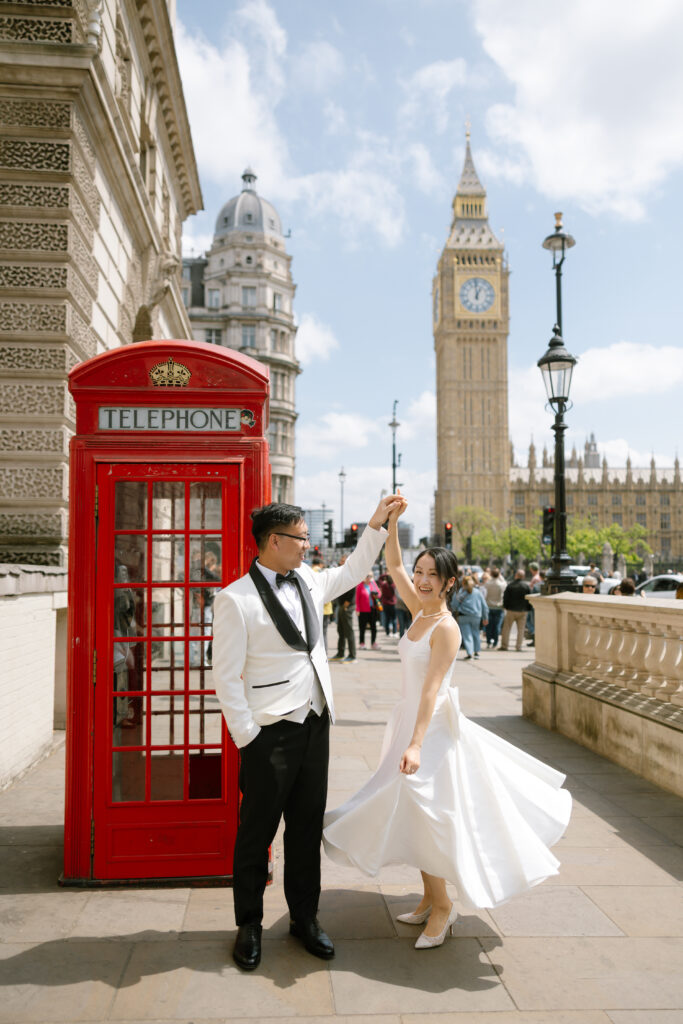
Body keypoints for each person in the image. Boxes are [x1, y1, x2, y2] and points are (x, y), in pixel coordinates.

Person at [323, 497, 572, 950]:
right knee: (415, 813)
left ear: (449, 582)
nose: (420, 579)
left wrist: (415, 744)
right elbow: (393, 560)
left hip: (432, 728)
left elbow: (432, 690)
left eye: (431, 575)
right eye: (419, 573)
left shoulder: (446, 627)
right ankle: (428, 897)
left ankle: (443, 906)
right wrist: (393, 523)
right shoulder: (420, 611)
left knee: (426, 810)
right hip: (408, 720)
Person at [212, 494, 400, 970]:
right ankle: (249, 924)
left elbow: (356, 568)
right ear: (273, 541)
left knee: (305, 828)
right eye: (300, 537)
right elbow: (225, 676)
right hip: (269, 733)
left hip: (316, 725)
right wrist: (248, 737)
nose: (307, 545)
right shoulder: (235, 599)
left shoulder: (312, 581)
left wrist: (376, 524)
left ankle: (304, 918)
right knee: (256, 833)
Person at [451, 575, 488, 659]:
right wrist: (485, 617)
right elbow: (484, 606)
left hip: (463, 616)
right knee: (476, 633)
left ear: (463, 583)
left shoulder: (460, 592)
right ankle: (477, 652)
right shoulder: (478, 592)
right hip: (476, 616)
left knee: (467, 635)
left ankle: (470, 652)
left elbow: (454, 605)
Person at [330, 556, 357, 663]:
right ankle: (340, 653)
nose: (341, 563)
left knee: (348, 631)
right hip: (341, 605)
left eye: (343, 561)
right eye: (340, 561)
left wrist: (346, 605)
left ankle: (352, 655)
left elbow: (352, 591)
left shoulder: (351, 573)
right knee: (340, 631)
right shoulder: (342, 573)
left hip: (347, 606)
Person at [500, 569, 531, 651]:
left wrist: (506, 606)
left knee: (506, 628)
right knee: (521, 630)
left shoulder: (510, 585)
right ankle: (518, 646)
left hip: (511, 610)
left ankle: (504, 645)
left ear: (516, 575)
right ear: (523, 576)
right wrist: (528, 608)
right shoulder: (526, 586)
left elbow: (505, 597)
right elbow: (529, 599)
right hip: (522, 610)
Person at [356, 572, 381, 649]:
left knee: (373, 627)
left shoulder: (373, 585)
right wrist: (357, 609)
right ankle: (362, 643)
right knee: (362, 628)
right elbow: (357, 599)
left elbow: (379, 594)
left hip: (373, 609)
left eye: (370, 576)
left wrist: (376, 595)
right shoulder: (360, 586)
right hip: (363, 610)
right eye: (367, 576)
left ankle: (373, 643)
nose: (369, 578)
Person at [484, 566, 506, 648]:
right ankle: (495, 642)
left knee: (489, 626)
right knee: (497, 626)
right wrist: (500, 575)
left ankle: (489, 641)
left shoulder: (487, 584)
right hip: (498, 607)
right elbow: (505, 583)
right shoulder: (501, 584)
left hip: (489, 606)